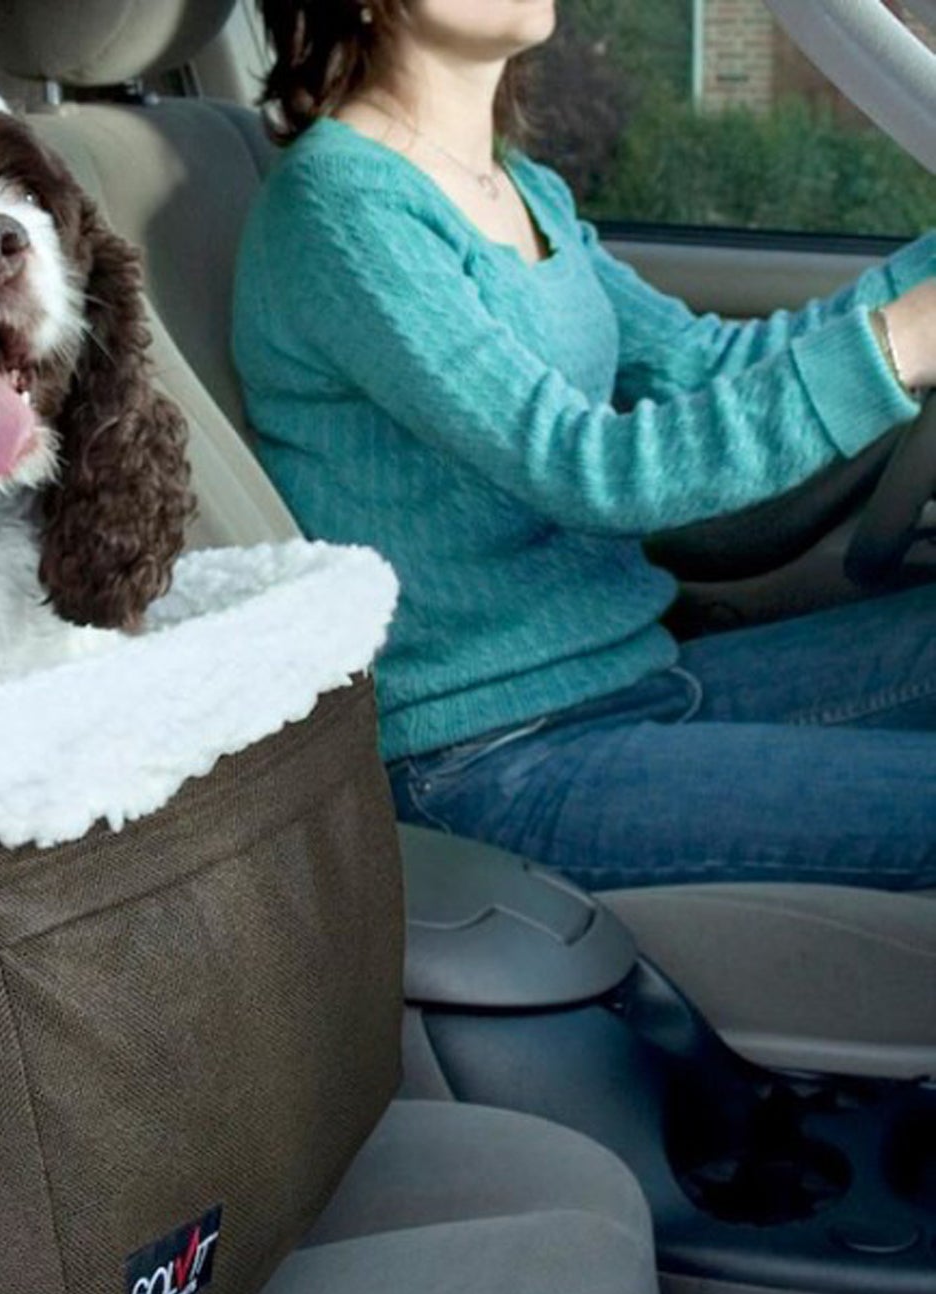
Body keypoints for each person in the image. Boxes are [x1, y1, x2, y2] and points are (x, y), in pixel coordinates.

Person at [232, 0, 936, 892]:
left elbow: (701, 364)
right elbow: (586, 469)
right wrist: (898, 345)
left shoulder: (522, 189)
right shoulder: (339, 206)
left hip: (634, 679)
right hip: (488, 756)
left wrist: (915, 293)